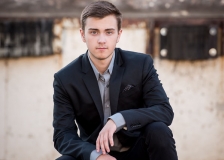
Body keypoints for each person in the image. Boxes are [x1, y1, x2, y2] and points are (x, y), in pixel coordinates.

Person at [53, 1, 178, 160]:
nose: (102, 40)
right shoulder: (65, 79)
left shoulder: (140, 65)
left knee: (159, 130)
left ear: (119, 34)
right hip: (95, 153)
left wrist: (119, 119)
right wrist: (95, 155)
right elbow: (63, 135)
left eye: (109, 32)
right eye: (94, 32)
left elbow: (164, 110)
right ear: (82, 35)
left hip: (137, 151)